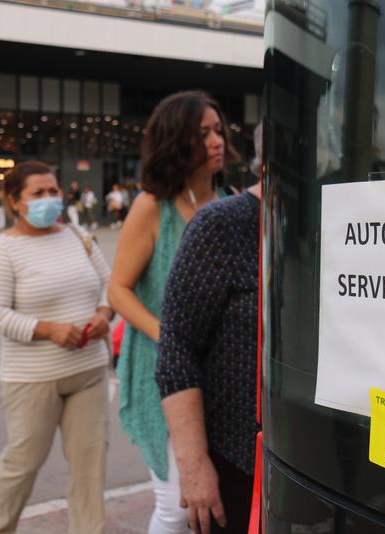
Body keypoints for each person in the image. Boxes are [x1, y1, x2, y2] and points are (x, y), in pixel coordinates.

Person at [108, 90, 234, 534]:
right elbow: (118, 290)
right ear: (176, 141)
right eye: (203, 134)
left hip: (218, 372)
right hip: (162, 369)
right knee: (178, 505)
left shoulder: (229, 204)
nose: (217, 141)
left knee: (216, 495)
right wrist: (169, 334)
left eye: (218, 130)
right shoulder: (151, 207)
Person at [0, 160, 113, 534]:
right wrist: (47, 330)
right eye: (37, 193)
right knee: (22, 463)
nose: (48, 199)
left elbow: (109, 284)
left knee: (90, 466)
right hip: (32, 379)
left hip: (89, 372)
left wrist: (104, 312)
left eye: (53, 191)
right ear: (14, 201)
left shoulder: (78, 236)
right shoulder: (2, 251)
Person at [157, 123, 262, 534]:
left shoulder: (336, 222)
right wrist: (194, 466)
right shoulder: (224, 224)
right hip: (235, 461)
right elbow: (177, 350)